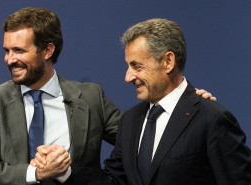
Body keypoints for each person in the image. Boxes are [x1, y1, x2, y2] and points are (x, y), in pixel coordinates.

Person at [0, 7, 215, 185]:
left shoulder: (90, 97)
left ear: (47, 50)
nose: (10, 59)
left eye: (19, 50)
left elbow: (141, 139)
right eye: (7, 50)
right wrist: (36, 173)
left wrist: (182, 108)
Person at [31, 18, 251, 185]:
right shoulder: (130, 121)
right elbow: (114, 182)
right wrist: (64, 170)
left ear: (168, 62)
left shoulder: (211, 119)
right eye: (128, 66)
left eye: (137, 66)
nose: (128, 77)